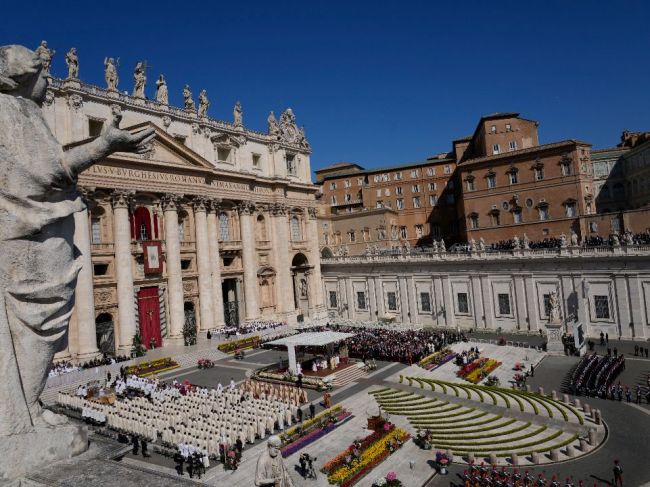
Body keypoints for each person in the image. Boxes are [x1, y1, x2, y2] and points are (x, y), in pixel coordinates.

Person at [0, 44, 154, 436]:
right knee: (44, 318)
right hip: (32, 240)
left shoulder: (23, 114)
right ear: (25, 77)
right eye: (43, 74)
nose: (49, 81)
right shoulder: (15, 112)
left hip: (33, 236)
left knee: (41, 320)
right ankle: (27, 411)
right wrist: (105, 144)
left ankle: (27, 407)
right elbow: (51, 171)